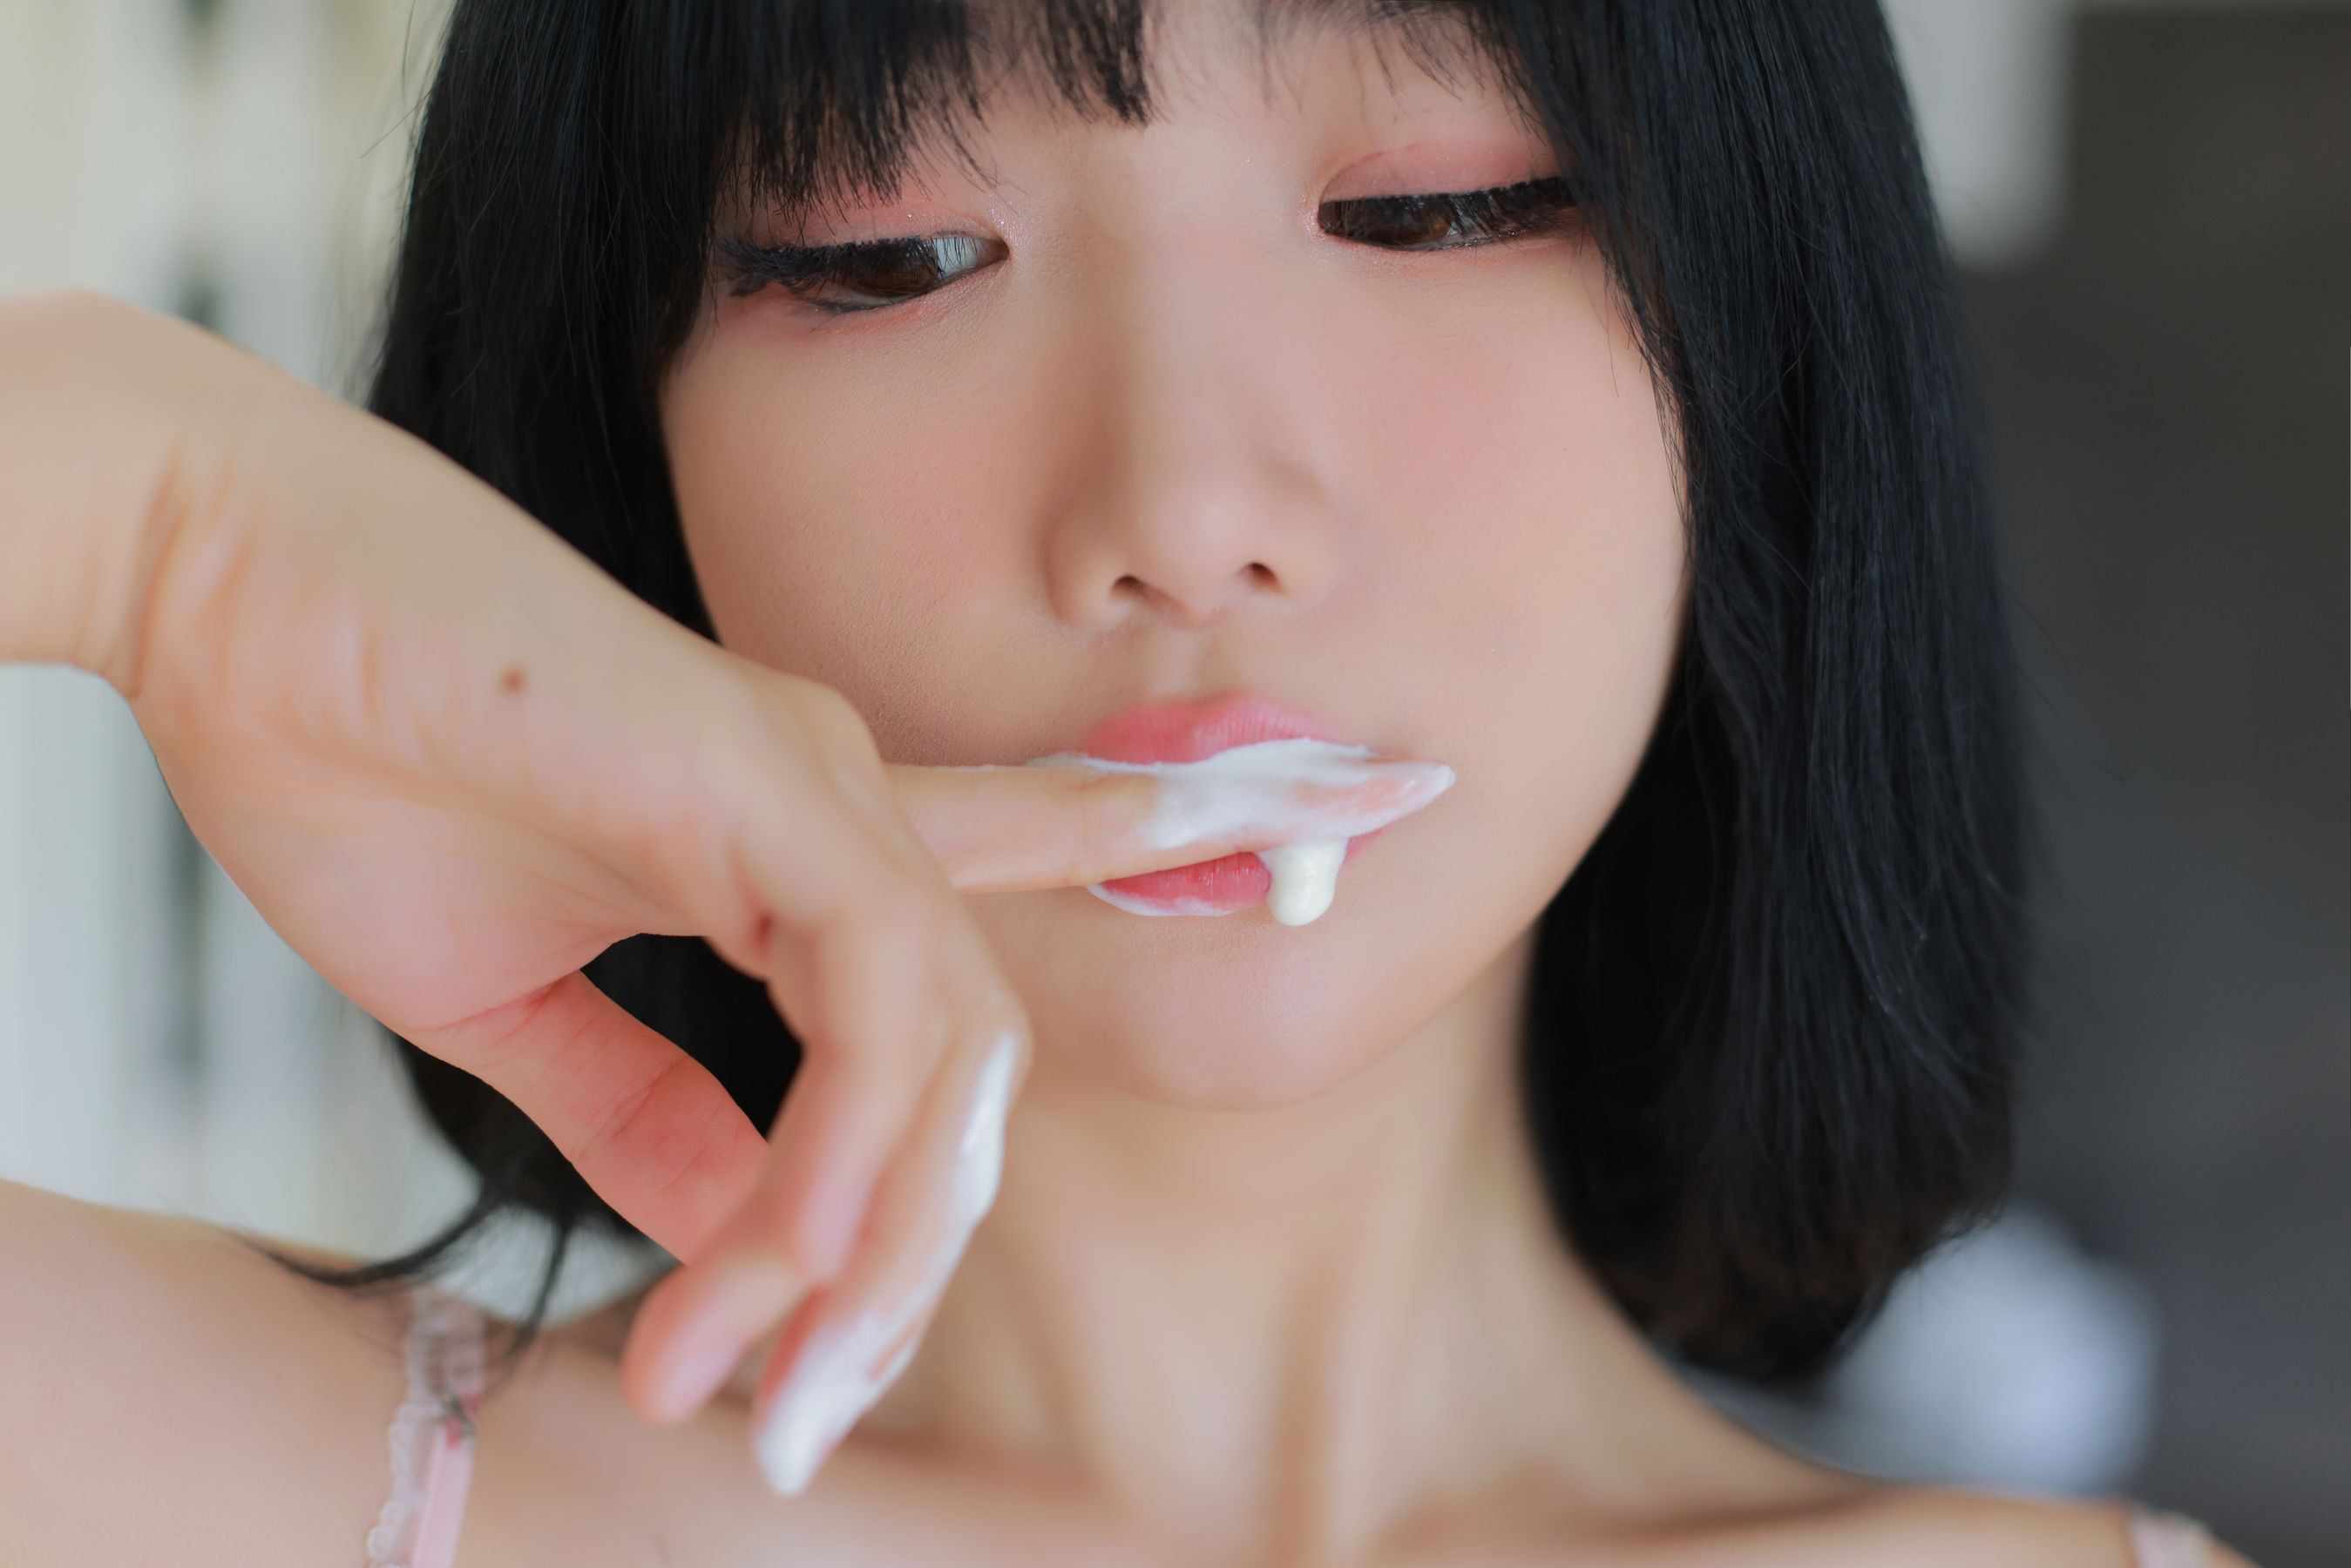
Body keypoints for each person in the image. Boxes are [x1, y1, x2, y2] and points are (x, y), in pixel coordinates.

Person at [0, 0, 2251, 1562]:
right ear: (621, 451)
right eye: (889, 255)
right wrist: (155, 515)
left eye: (1439, 204)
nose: (1181, 508)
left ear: (1767, 331)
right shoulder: (170, 1485)